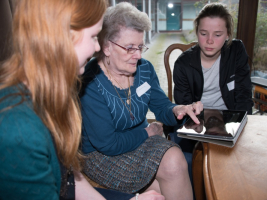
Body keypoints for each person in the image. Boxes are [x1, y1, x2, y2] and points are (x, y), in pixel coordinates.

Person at [0, 0, 163, 199]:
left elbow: (68, 178)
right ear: (61, 38)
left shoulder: (50, 95)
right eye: (94, 36)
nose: (98, 47)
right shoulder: (18, 127)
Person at [80, 2, 203, 200]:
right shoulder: (91, 81)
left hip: (139, 141)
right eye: (129, 48)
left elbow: (162, 107)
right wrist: (147, 132)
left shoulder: (144, 69)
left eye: (139, 47)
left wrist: (178, 109)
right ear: (106, 46)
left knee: (174, 162)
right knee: (163, 183)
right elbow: (108, 144)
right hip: (101, 155)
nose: (137, 55)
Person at [173, 3, 253, 114]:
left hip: (230, 118)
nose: (209, 41)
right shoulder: (182, 64)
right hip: (197, 120)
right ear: (197, 32)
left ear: (228, 35)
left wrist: (241, 123)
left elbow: (243, 94)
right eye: (204, 33)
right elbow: (184, 106)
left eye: (218, 35)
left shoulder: (236, 51)